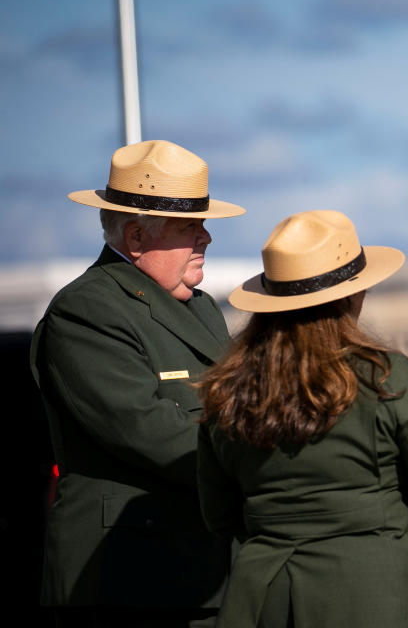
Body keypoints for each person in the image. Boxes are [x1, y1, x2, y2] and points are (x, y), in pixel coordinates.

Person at [195, 210, 408, 628]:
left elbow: (219, 516)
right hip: (372, 591)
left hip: (264, 597)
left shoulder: (227, 389)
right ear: (349, 295)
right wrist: (381, 516)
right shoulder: (381, 376)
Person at [31, 140, 246, 626]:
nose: (206, 238)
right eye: (190, 227)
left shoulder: (202, 307)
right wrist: (266, 459)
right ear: (135, 236)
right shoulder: (86, 310)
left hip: (197, 574)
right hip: (125, 579)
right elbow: (152, 431)